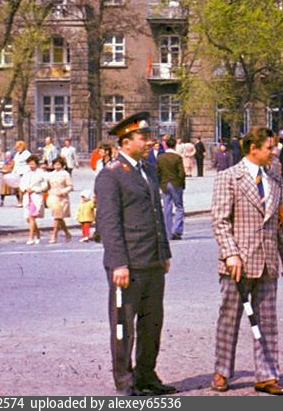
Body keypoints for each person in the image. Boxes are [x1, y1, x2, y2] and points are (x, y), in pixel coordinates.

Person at [210, 126, 283, 396]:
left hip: (268, 261)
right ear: (253, 149)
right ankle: (222, 372)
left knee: (266, 322)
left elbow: (281, 221)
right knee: (230, 319)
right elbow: (220, 221)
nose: (274, 151)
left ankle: (267, 375)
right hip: (238, 263)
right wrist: (230, 253)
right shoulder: (228, 178)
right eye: (269, 147)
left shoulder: (274, 178)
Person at [96, 112, 174, 396]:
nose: (149, 142)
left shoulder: (148, 171)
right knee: (123, 325)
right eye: (143, 138)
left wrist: (164, 251)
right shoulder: (111, 174)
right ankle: (125, 379)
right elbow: (109, 223)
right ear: (125, 142)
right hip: (127, 265)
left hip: (152, 261)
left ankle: (146, 375)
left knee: (152, 322)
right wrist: (118, 263)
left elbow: (156, 215)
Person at [156, 137, 186, 240]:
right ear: (175, 146)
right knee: (179, 207)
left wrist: (160, 183)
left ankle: (168, 232)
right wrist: (181, 183)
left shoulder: (160, 158)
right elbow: (181, 173)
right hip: (175, 183)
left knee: (167, 207)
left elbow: (157, 172)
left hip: (164, 184)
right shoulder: (177, 157)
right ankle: (176, 230)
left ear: (166, 145)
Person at [20, 155, 48, 244]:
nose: (31, 166)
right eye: (30, 164)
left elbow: (45, 186)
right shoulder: (26, 173)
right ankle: (37, 233)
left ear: (36, 164)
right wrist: (25, 189)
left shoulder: (41, 173)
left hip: (36, 196)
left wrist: (35, 190)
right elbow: (21, 183)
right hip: (27, 196)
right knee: (28, 218)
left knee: (32, 217)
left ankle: (30, 237)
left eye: (33, 164)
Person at [46, 157, 73, 243]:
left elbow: (70, 186)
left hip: (62, 197)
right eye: (55, 164)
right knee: (57, 216)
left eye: (58, 164)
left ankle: (54, 235)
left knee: (58, 217)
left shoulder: (65, 174)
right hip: (53, 196)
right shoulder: (50, 174)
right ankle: (66, 232)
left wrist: (63, 191)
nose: (56, 166)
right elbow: (47, 185)